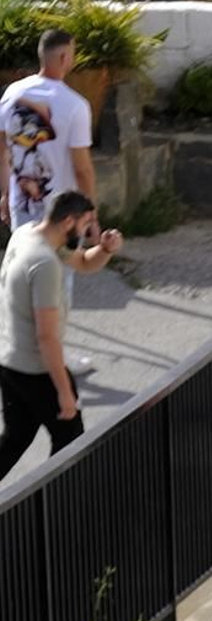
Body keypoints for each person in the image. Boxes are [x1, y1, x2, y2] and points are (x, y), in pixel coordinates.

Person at [0, 189, 122, 482]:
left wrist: (105, 249)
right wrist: (65, 393)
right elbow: (47, 337)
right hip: (36, 368)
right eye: (85, 224)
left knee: (16, 437)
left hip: (8, 360)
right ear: (69, 221)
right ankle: (51, 515)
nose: (87, 231)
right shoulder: (45, 264)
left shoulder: (27, 233)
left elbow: (83, 263)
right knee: (71, 445)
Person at [0, 27, 95, 231]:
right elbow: (83, 170)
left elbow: (3, 151)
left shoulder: (12, 93)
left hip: (21, 207)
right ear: (64, 57)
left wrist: (6, 195)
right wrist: (90, 214)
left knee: (25, 261)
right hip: (62, 215)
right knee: (60, 263)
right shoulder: (75, 105)